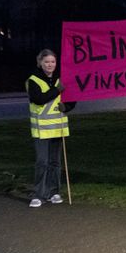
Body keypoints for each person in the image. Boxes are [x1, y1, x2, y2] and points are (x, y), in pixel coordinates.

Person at [26, 49, 76, 208]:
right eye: (46, 61)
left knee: (55, 162)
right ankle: (39, 194)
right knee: (42, 162)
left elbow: (72, 99)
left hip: (58, 127)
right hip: (41, 129)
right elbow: (39, 99)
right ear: (40, 62)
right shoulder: (33, 80)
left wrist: (66, 107)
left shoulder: (61, 79)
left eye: (52, 62)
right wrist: (57, 89)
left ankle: (54, 192)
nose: (50, 65)